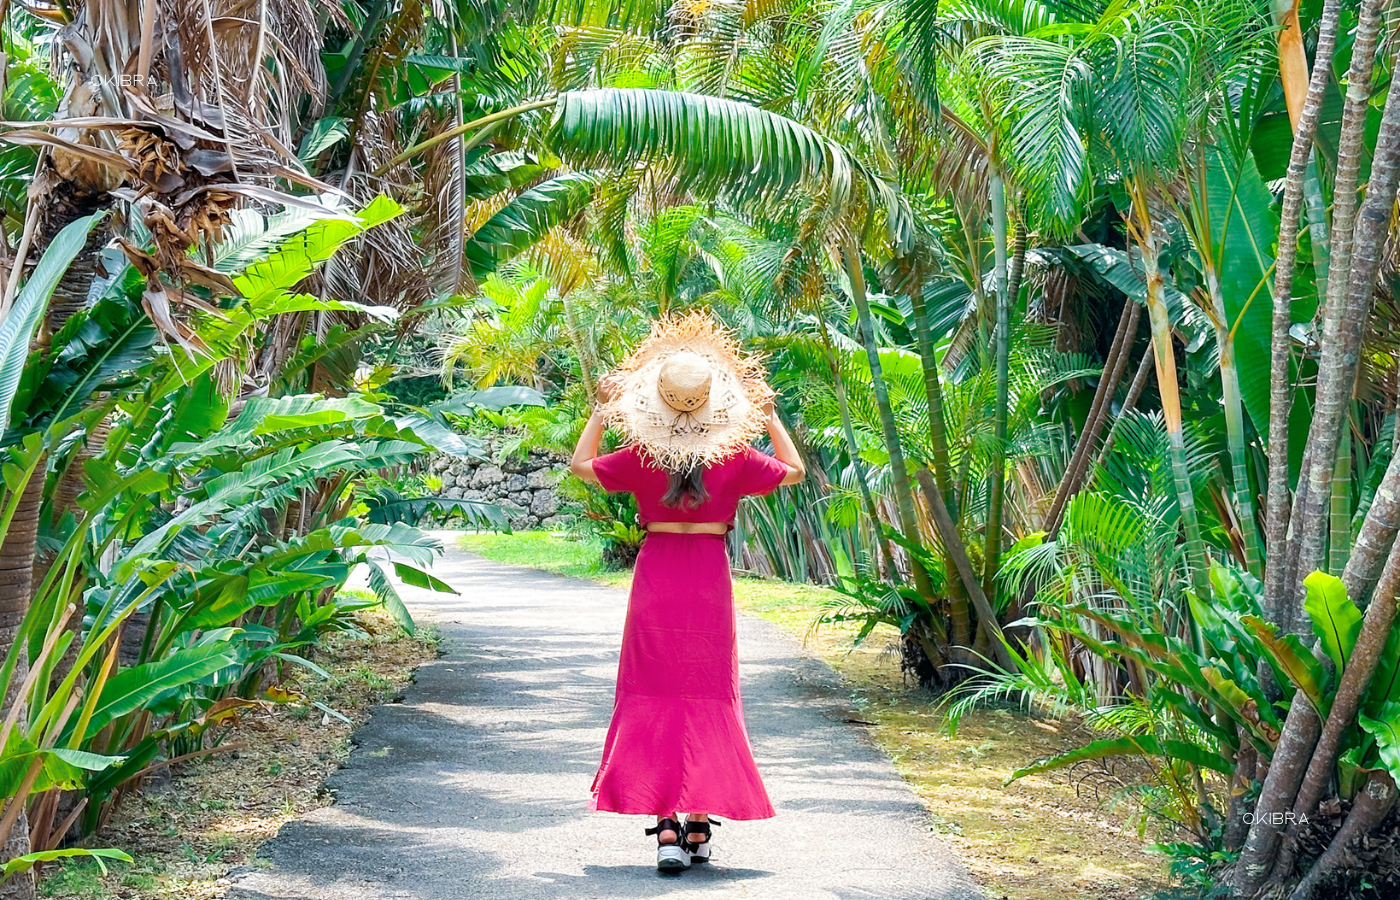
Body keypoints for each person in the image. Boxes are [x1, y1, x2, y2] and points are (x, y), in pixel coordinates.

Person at [570, 313, 805, 872]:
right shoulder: (734, 458)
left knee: (654, 693)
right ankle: (698, 821)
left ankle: (668, 831)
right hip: (707, 582)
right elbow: (794, 470)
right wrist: (769, 416)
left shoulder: (643, 458)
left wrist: (602, 411)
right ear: (714, 406)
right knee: (708, 694)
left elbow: (580, 465)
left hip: (656, 580)